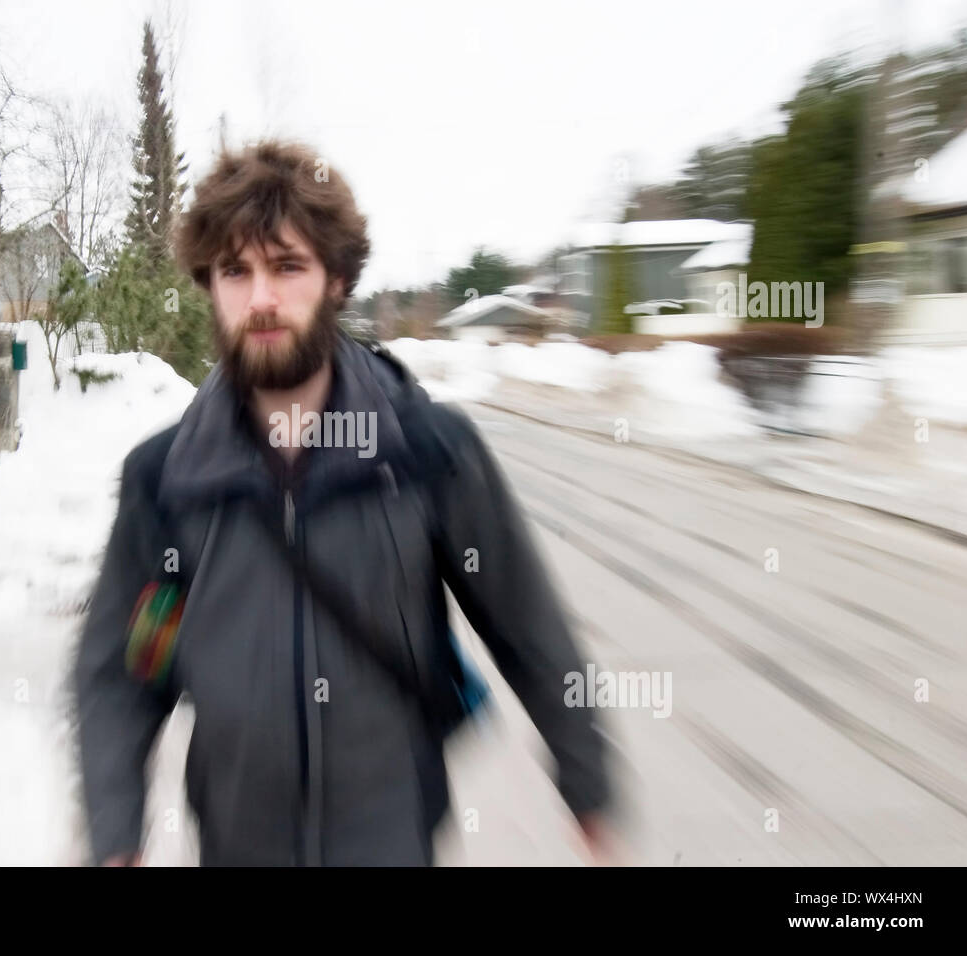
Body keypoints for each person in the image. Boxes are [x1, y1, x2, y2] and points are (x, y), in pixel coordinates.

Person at [74, 140, 614, 866]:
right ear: (211, 285)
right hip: (237, 844)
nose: (261, 298)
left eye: (287, 266)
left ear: (338, 281)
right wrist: (116, 829)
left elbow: (531, 628)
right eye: (236, 271)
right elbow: (124, 668)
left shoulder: (426, 451)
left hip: (390, 837)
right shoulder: (167, 478)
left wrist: (588, 780)